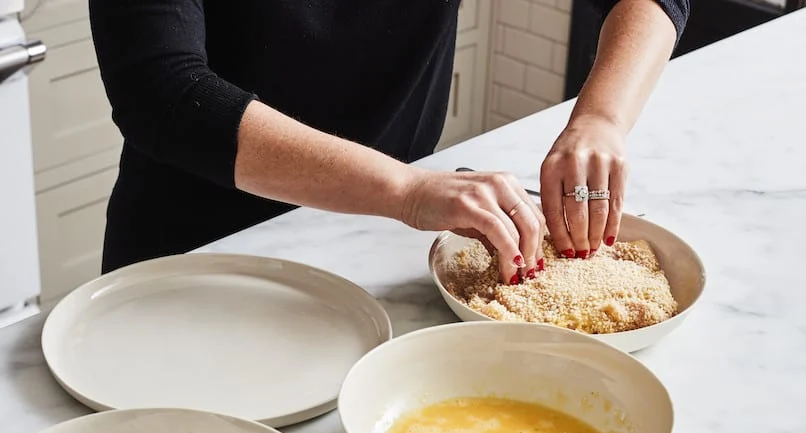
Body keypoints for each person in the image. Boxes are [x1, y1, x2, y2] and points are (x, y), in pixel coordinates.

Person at [89, 0, 689, 284]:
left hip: (374, 244)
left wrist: (601, 119)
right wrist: (404, 190)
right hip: (195, 256)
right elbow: (161, 91)